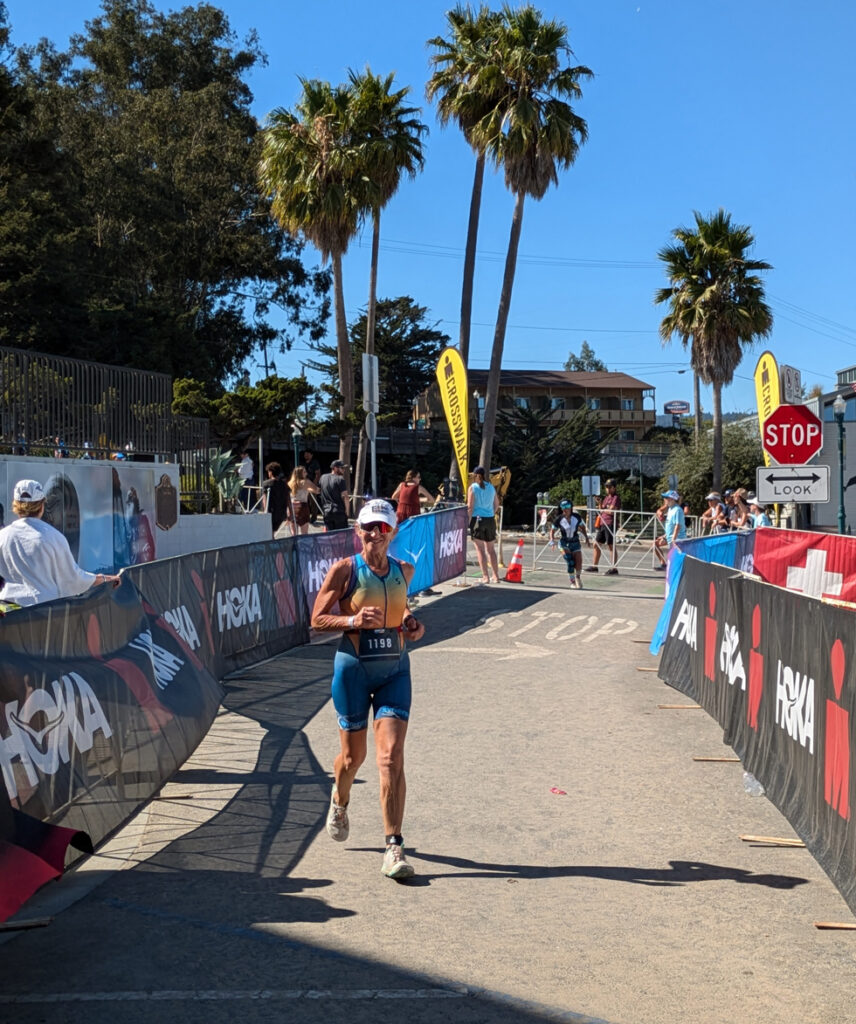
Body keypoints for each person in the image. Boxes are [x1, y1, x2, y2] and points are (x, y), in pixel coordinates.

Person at [311, 498, 425, 880]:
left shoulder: (404, 570)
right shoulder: (345, 570)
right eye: (367, 528)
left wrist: (411, 622)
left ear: (391, 532)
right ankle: (340, 799)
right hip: (354, 671)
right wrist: (353, 618)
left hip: (395, 671)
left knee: (390, 757)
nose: (374, 534)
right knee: (352, 758)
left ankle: (393, 846)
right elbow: (316, 619)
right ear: (358, 532)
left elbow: (400, 608)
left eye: (382, 528)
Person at [0, 479, 119, 607]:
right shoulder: (53, 537)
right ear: (42, 506)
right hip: (41, 613)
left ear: (16, 506)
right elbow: (73, 580)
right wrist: (105, 579)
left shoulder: (3, 536)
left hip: (7, 612)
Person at [391, 469, 439, 596]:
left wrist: (403, 503)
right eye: (418, 477)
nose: (420, 479)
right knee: (416, 549)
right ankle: (419, 584)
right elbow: (431, 499)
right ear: (413, 478)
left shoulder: (402, 485)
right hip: (413, 518)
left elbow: (394, 497)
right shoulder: (418, 487)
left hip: (401, 517)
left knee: (401, 547)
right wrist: (418, 501)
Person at [467, 465, 500, 584]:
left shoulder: (473, 488)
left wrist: (467, 521)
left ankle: (485, 576)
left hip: (477, 519)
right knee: (491, 549)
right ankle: (495, 576)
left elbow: (470, 507)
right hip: (490, 519)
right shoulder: (491, 487)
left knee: (480, 550)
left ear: (475, 476)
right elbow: (497, 503)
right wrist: (491, 512)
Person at [549, 498, 591, 589]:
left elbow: (582, 527)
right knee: (570, 561)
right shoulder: (559, 519)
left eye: (567, 506)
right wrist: (552, 541)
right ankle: (572, 582)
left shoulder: (576, 517)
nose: (565, 509)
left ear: (571, 507)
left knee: (578, 562)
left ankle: (578, 578)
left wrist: (586, 537)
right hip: (564, 542)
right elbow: (552, 530)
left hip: (575, 541)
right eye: (563, 507)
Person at [586, 478, 621, 575]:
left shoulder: (616, 498)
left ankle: (614, 568)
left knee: (611, 545)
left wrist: (603, 510)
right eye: (606, 487)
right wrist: (600, 503)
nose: (608, 489)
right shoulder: (606, 498)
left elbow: (611, 511)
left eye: (610, 487)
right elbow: (603, 509)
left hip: (610, 523)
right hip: (602, 523)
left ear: (614, 488)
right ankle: (594, 566)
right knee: (596, 544)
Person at [653, 489, 686, 569]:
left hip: (678, 540)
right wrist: (664, 536)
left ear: (672, 499)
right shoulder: (671, 509)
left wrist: (673, 540)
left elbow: (677, 526)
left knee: (676, 562)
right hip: (670, 538)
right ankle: (664, 564)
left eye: (666, 498)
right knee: (655, 544)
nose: (665, 500)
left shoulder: (677, 510)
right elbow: (670, 526)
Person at [287, 464, 321, 535]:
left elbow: (300, 489)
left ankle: (295, 545)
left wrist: (308, 489)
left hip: (292, 506)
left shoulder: (290, 483)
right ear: (300, 473)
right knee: (304, 533)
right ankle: (303, 546)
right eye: (304, 472)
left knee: (294, 533)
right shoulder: (305, 481)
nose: (306, 473)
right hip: (302, 506)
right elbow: (317, 490)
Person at [262, 462, 292, 538]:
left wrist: (264, 512)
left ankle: (273, 545)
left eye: (268, 471)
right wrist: (290, 511)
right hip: (281, 512)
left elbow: (265, 499)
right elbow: (288, 498)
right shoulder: (284, 485)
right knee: (272, 531)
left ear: (271, 472)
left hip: (271, 511)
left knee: (269, 531)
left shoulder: (266, 484)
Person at [319, 459, 350, 531]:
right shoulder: (340, 479)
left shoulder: (323, 477)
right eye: (342, 468)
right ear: (335, 468)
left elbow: (319, 490)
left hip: (327, 511)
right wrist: (347, 512)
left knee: (330, 536)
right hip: (339, 511)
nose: (343, 470)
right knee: (341, 536)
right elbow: (345, 496)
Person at [303, 449, 322, 523]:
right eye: (305, 454)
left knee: (313, 501)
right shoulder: (303, 463)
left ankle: (314, 517)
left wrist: (314, 484)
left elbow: (318, 474)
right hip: (304, 484)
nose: (306, 455)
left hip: (312, 484)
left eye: (308, 454)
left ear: (311, 455)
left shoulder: (315, 463)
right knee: (305, 501)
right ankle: (306, 516)